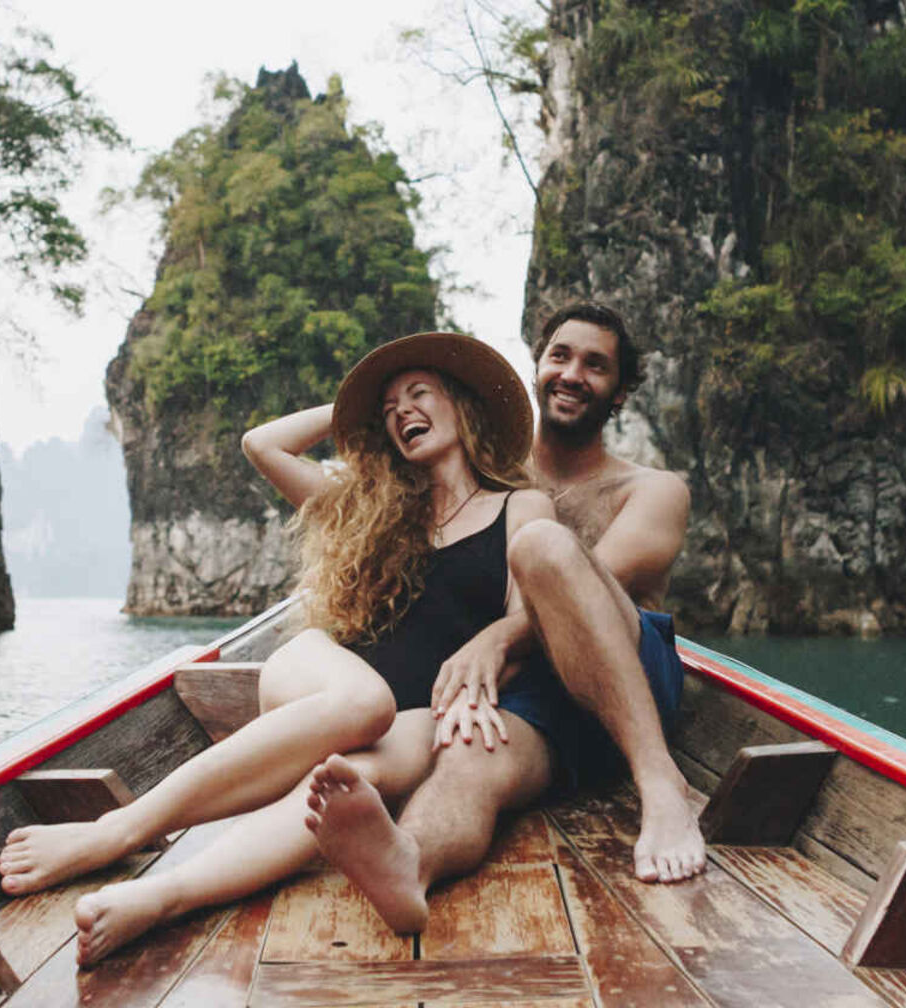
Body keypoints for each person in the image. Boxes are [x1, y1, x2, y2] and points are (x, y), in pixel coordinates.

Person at [0, 331, 559, 963]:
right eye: (391, 406)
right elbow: (262, 444)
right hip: (324, 676)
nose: (403, 412)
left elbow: (529, 619)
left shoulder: (522, 506)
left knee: (349, 780)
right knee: (365, 702)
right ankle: (112, 833)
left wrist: (486, 655)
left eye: (419, 394)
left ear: (464, 405)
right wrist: (357, 413)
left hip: (417, 714)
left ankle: (163, 896)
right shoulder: (368, 506)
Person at [299, 303, 705, 940]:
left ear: (620, 392)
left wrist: (492, 638)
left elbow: (579, 587)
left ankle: (662, 785)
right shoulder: (485, 477)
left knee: (542, 547)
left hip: (624, 674)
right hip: (535, 689)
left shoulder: (652, 490)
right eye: (560, 357)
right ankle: (410, 862)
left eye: (595, 366)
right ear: (536, 370)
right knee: (467, 752)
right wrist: (367, 410)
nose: (572, 374)